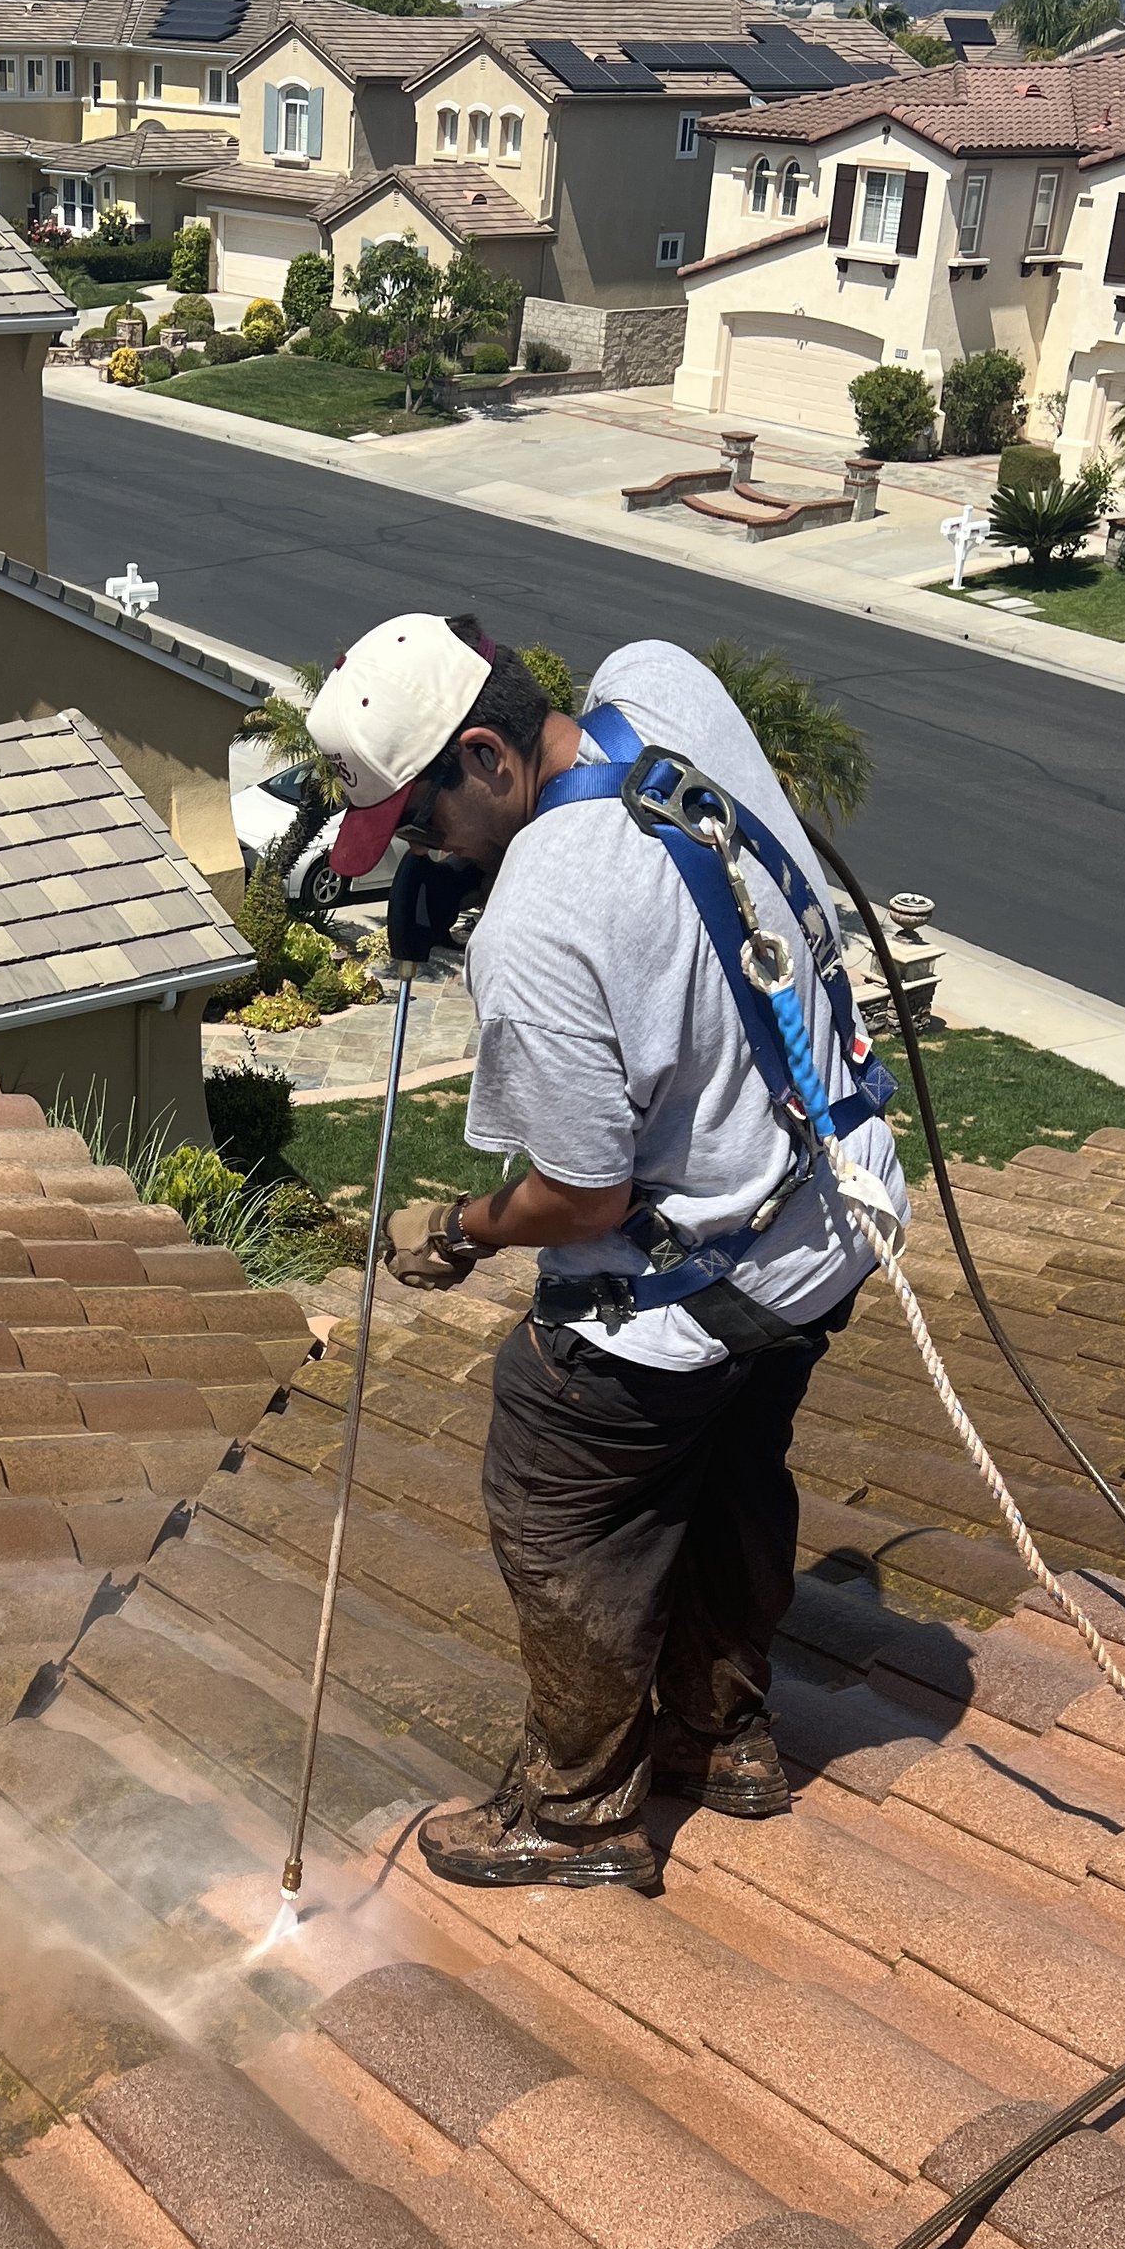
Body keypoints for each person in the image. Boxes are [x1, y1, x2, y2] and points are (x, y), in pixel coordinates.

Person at [304, 611, 905, 1895]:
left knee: (556, 1491)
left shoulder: (536, 925)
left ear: (487, 756)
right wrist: (478, 851)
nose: (411, 853)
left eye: (416, 822)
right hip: (828, 1230)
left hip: (692, 1286)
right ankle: (726, 1736)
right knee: (733, 1464)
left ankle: (583, 1815)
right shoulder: (666, 684)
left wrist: (459, 1233)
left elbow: (583, 1196)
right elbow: (618, 759)